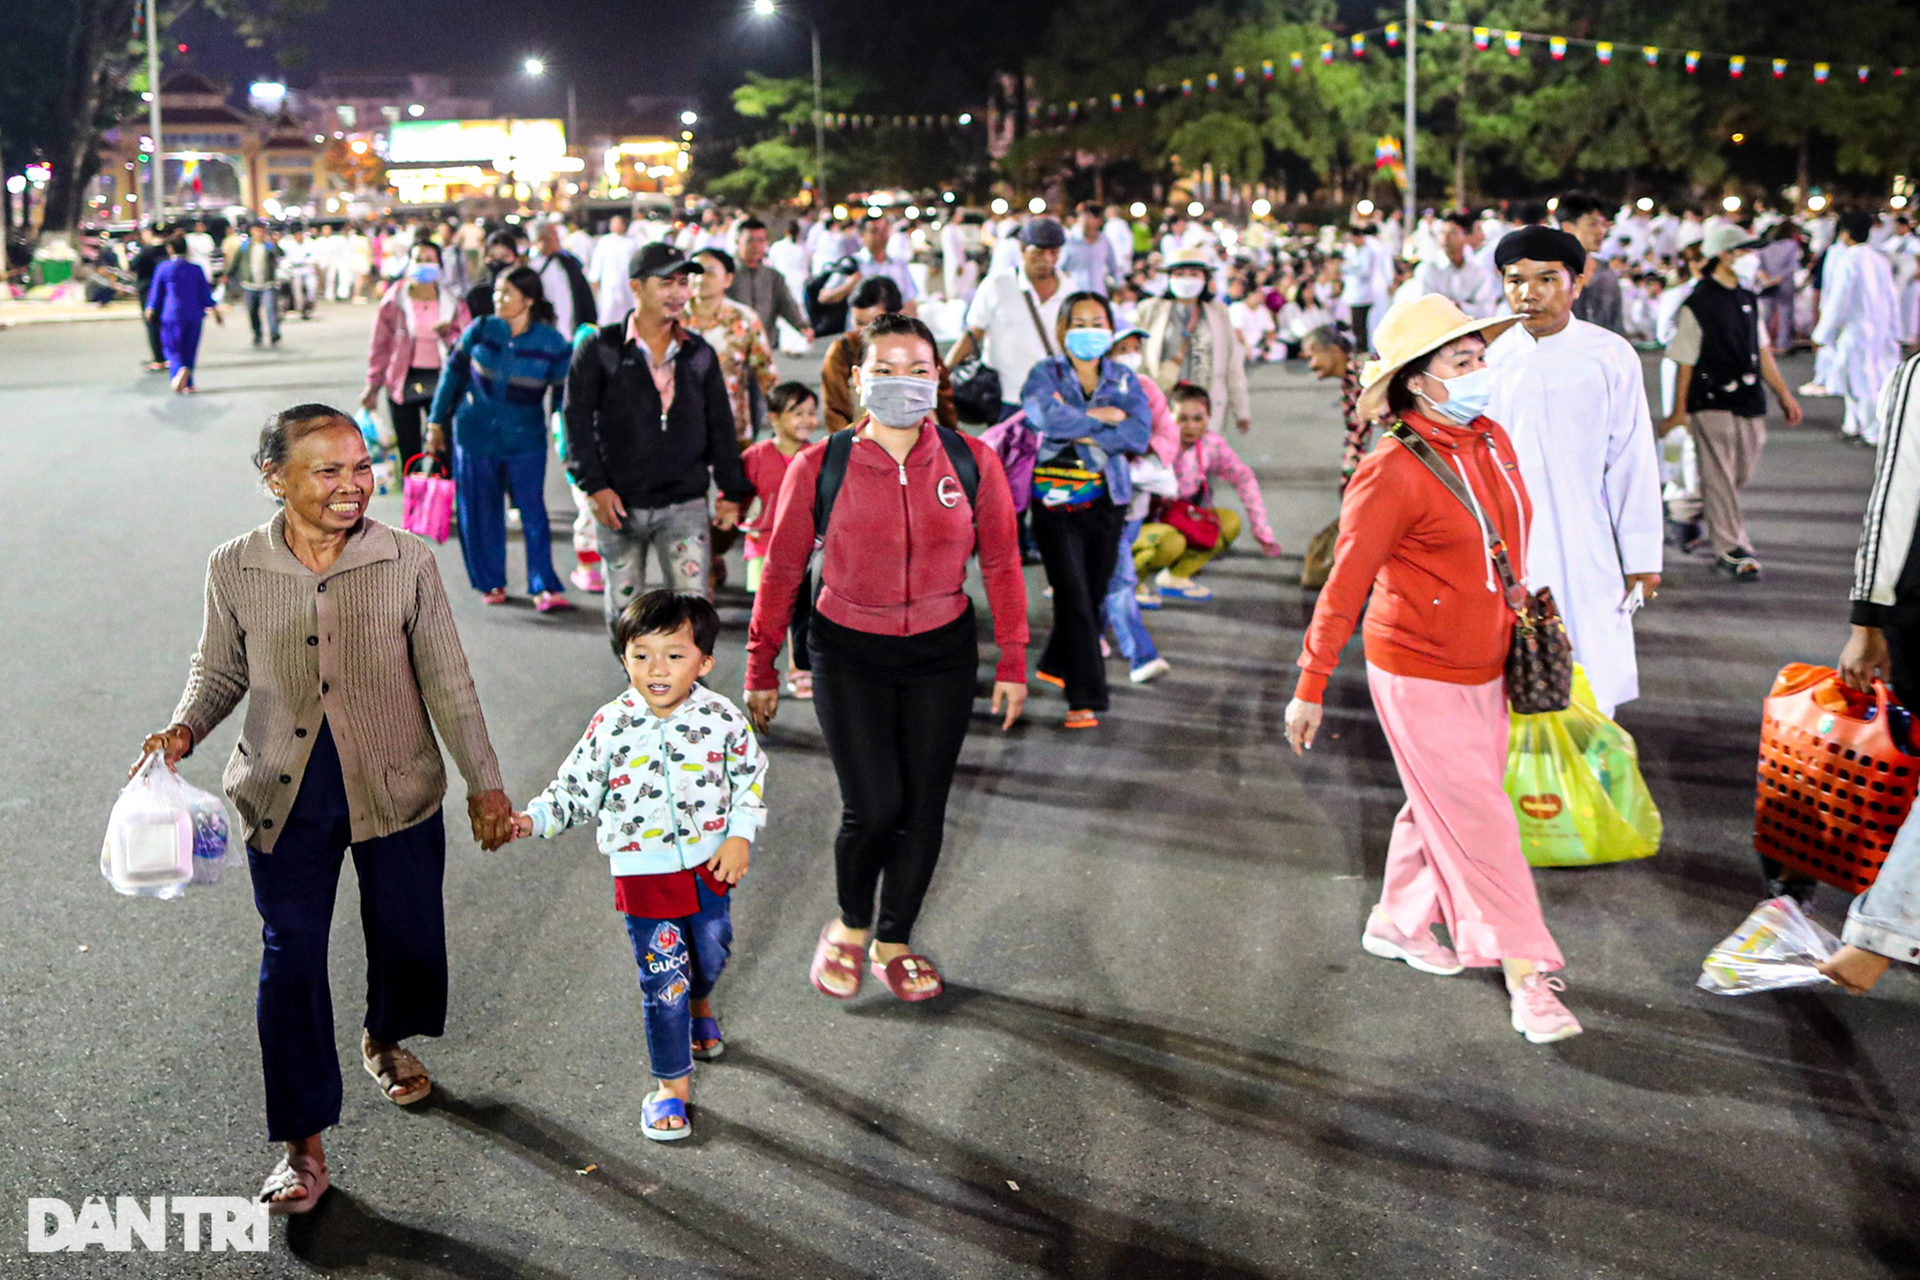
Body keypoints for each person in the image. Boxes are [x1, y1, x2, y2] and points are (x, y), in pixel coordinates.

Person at [136, 404, 513, 1213]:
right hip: (283, 792)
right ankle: (302, 1146)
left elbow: (448, 680)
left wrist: (484, 783)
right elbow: (219, 671)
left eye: (362, 466)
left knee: (407, 932)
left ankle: (385, 1033)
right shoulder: (235, 566)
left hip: (396, 783)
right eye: (328, 470)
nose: (353, 485)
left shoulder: (406, 558)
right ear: (274, 479)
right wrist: (183, 728)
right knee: (293, 954)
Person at [1283, 294, 1581, 1044]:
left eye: (1480, 356)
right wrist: (1311, 684)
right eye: (1462, 360)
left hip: (1491, 663)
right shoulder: (1389, 469)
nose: (1481, 370)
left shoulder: (1491, 440)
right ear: (1418, 380)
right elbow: (1343, 584)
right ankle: (1529, 974)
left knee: (1441, 801)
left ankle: (1396, 921)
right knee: (1483, 820)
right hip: (1415, 671)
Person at [745, 314, 1028, 1000]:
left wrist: (1014, 659)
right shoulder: (822, 465)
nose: (903, 381)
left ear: (939, 378)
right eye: (887, 368)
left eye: (918, 368)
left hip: (942, 653)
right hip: (848, 652)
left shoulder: (972, 461)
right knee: (873, 807)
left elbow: (1002, 562)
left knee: (924, 808)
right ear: (857, 378)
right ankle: (849, 925)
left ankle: (894, 940)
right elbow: (782, 571)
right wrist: (761, 663)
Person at [508, 591, 765, 1139]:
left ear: (705, 662)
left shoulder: (721, 719)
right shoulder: (610, 725)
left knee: (711, 952)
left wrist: (740, 836)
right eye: (641, 654)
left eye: (674, 654)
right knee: (663, 981)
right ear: (623, 658)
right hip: (642, 875)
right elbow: (573, 789)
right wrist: (531, 819)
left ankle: (702, 1003)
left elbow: (749, 779)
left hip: (709, 867)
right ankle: (671, 1086)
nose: (656, 668)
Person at [1485, 225, 1664, 720]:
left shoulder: (1609, 355)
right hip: (1505, 540)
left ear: (1576, 283)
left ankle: (1588, 769)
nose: (1529, 293)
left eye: (1546, 279)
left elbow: (1631, 458)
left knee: (1590, 663)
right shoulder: (1489, 358)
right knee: (1506, 671)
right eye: (1515, 280)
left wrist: (1642, 555)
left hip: (1586, 537)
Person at [563, 242, 752, 628]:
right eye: (667, 283)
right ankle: (636, 687)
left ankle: (689, 689)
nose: (680, 293)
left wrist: (732, 491)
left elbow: (720, 424)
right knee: (625, 613)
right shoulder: (600, 348)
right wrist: (594, 487)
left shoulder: (698, 353)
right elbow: (576, 421)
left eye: (684, 282)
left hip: (685, 504)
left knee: (693, 612)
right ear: (637, 287)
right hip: (619, 505)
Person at [1020, 292, 1153, 727]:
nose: (1089, 330)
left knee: (1092, 595)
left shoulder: (1125, 379)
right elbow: (1045, 418)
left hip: (1108, 502)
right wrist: (1103, 420)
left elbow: (1138, 435)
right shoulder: (1044, 374)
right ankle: (1085, 696)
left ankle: (1057, 660)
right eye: (1079, 322)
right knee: (1074, 596)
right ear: (1062, 329)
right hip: (1055, 503)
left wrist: (1080, 421)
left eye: (1098, 321)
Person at [1658, 224, 1805, 581]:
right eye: (1743, 252)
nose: (1751, 258)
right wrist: (1679, 412)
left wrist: (1783, 393)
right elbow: (1685, 359)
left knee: (1737, 472)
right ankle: (1733, 548)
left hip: (1748, 398)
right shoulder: (1698, 302)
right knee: (1720, 475)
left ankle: (1682, 508)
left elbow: (1761, 350)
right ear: (1723, 255)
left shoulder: (1746, 298)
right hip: (1710, 400)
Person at [426, 265, 574, 612]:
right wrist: (435, 421)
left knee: (533, 511)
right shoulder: (480, 330)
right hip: (474, 434)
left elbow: (565, 399)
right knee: (479, 510)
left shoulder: (551, 344)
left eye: (506, 294)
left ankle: (544, 585)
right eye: (497, 293)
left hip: (526, 440)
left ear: (528, 300)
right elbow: (452, 374)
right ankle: (490, 580)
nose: (498, 299)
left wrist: (569, 438)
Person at [1131, 383, 1282, 601]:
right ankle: (1130, 583)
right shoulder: (1151, 444)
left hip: (1178, 518)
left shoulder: (1212, 444)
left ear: (1209, 417)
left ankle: (1175, 577)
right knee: (1171, 542)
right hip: (1140, 524)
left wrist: (1261, 529)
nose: (1190, 426)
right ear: (1167, 417)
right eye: (1182, 418)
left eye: (1198, 418)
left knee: (1228, 523)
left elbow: (1244, 478)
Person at [1100, 327, 1176, 682]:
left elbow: (1167, 432)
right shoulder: (1088, 388)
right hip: (1101, 499)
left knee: (1107, 574)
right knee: (1120, 578)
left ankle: (1088, 634)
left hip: (1135, 502)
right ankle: (1140, 655)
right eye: (1121, 348)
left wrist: (1145, 448)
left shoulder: (1146, 387)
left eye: (1134, 348)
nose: (1130, 354)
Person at [739, 382, 819, 697]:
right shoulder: (755, 456)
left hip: (807, 549)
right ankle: (762, 670)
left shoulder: (818, 455)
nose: (806, 420)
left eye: (811, 413)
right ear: (773, 418)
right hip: (764, 547)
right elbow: (736, 495)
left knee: (802, 611)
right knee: (771, 612)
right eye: (796, 413)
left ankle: (800, 667)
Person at [363, 239, 470, 467]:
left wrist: (448, 334)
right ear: (408, 263)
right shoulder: (394, 301)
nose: (423, 265)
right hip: (402, 381)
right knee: (409, 452)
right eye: (418, 259)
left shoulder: (453, 303)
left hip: (443, 383)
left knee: (444, 450)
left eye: (429, 260)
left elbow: (466, 344)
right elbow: (380, 346)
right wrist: (373, 385)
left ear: (440, 265)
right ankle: (415, 499)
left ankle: (442, 499)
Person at [950, 218, 1069, 420]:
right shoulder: (996, 285)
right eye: (1039, 252)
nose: (1047, 259)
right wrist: (943, 372)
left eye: (1054, 252)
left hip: (1051, 400)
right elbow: (972, 334)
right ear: (1022, 250)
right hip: (1005, 400)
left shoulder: (1070, 291)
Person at [1133, 249, 1253, 435]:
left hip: (1205, 406)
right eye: (1180, 274)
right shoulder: (1149, 311)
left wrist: (1241, 410)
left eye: (1193, 274)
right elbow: (1135, 358)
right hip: (1162, 404)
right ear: (1170, 277)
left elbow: (1233, 364)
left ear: (1205, 278)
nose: (1186, 279)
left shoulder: (1219, 313)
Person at [820, 276, 959, 433]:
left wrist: (952, 444)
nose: (864, 332)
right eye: (858, 323)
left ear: (898, 316)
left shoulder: (921, 350)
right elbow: (835, 411)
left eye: (874, 324)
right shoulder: (840, 353)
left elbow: (944, 406)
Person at [1814, 210, 1902, 447]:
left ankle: (1872, 431)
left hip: (1855, 330)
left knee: (1860, 380)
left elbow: (1839, 300)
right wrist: (1894, 329)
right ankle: (1853, 425)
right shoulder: (1879, 259)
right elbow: (1891, 298)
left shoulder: (1848, 260)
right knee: (1856, 378)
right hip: (1878, 330)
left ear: (1845, 234)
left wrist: (1822, 333)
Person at [686, 247, 776, 445]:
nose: (701, 278)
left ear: (727, 279)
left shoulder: (744, 319)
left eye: (709, 272)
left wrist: (781, 420)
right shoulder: (673, 319)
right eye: (695, 272)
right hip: (681, 429)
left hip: (731, 426)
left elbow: (766, 373)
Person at [145, 235, 223, 395]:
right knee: (190, 348)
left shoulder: (163, 268)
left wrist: (150, 308)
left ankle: (178, 371)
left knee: (172, 348)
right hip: (194, 314)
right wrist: (215, 310)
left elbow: (156, 292)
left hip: (171, 314)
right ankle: (189, 383)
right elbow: (205, 294)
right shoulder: (196, 269)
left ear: (170, 249)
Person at [728, 217, 814, 345]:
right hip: (732, 343)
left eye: (761, 241)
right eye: (749, 241)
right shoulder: (726, 274)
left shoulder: (772, 276)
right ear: (737, 242)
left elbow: (786, 303)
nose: (756, 246)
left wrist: (802, 326)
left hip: (766, 343)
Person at [1558, 192, 1624, 336]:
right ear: (1568, 227)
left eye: (1604, 224)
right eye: (1592, 224)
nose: (1601, 231)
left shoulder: (1607, 274)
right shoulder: (1550, 273)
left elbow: (1616, 324)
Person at [1414, 212, 1499, 319]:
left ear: (1466, 237)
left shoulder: (1478, 270)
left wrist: (1459, 307)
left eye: (1452, 233)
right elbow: (1422, 306)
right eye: (1442, 233)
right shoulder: (1428, 269)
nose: (1445, 238)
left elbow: (1487, 310)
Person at [528, 216, 597, 339]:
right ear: (540, 238)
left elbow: (584, 296)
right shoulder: (529, 267)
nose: (557, 238)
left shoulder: (568, 264)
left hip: (571, 334)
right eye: (552, 234)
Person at [228, 222, 283, 347]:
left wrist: (275, 244)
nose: (260, 233)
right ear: (252, 231)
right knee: (253, 311)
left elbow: (280, 254)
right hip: (249, 285)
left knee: (271, 310)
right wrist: (229, 274)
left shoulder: (269, 246)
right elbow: (236, 262)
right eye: (257, 230)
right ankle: (257, 333)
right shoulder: (245, 246)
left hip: (268, 284)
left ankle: (274, 332)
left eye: (262, 231)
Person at [1340, 224, 1389, 352]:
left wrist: (1349, 268)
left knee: (1360, 328)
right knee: (1356, 327)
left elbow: (1364, 272)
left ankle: (1363, 354)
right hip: (1352, 295)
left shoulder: (1368, 252)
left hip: (1363, 296)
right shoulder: (1351, 250)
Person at [1061, 201, 1123, 296]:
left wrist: (1120, 287)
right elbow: (1061, 268)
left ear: (1098, 220)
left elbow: (1113, 268)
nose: (1084, 220)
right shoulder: (1070, 241)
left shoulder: (1104, 242)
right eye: (1081, 216)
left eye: (1088, 216)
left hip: (1098, 293)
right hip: (1076, 293)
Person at [131, 225, 170, 371]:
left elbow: (131, 266)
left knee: (152, 325)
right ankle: (168, 356)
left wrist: (121, 254)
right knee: (165, 324)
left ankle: (158, 359)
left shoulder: (145, 252)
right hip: (166, 291)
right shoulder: (168, 250)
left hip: (147, 290)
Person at [587, 213, 638, 325]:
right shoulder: (605, 241)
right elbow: (597, 260)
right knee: (608, 311)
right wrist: (594, 278)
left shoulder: (632, 243)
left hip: (626, 282)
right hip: (609, 283)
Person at [465, 230, 522, 319]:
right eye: (492, 256)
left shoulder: (525, 292)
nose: (498, 262)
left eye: (505, 257)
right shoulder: (476, 296)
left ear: (516, 259)